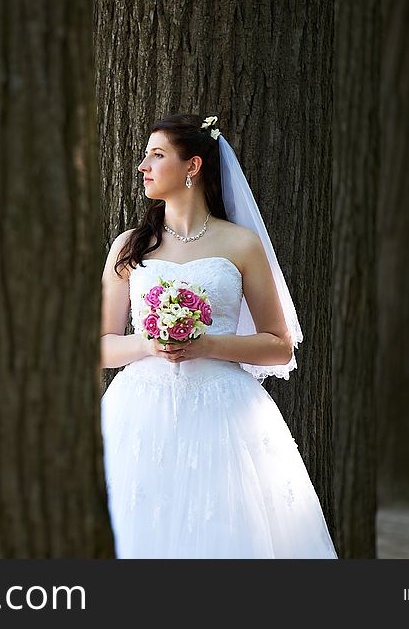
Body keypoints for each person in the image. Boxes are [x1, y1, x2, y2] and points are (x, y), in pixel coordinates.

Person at [100, 114, 338, 558]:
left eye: (157, 155)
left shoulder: (241, 244)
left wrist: (206, 345)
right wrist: (149, 344)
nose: (142, 166)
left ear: (192, 166)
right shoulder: (130, 247)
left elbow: (278, 344)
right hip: (140, 410)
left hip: (223, 411)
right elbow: (99, 345)